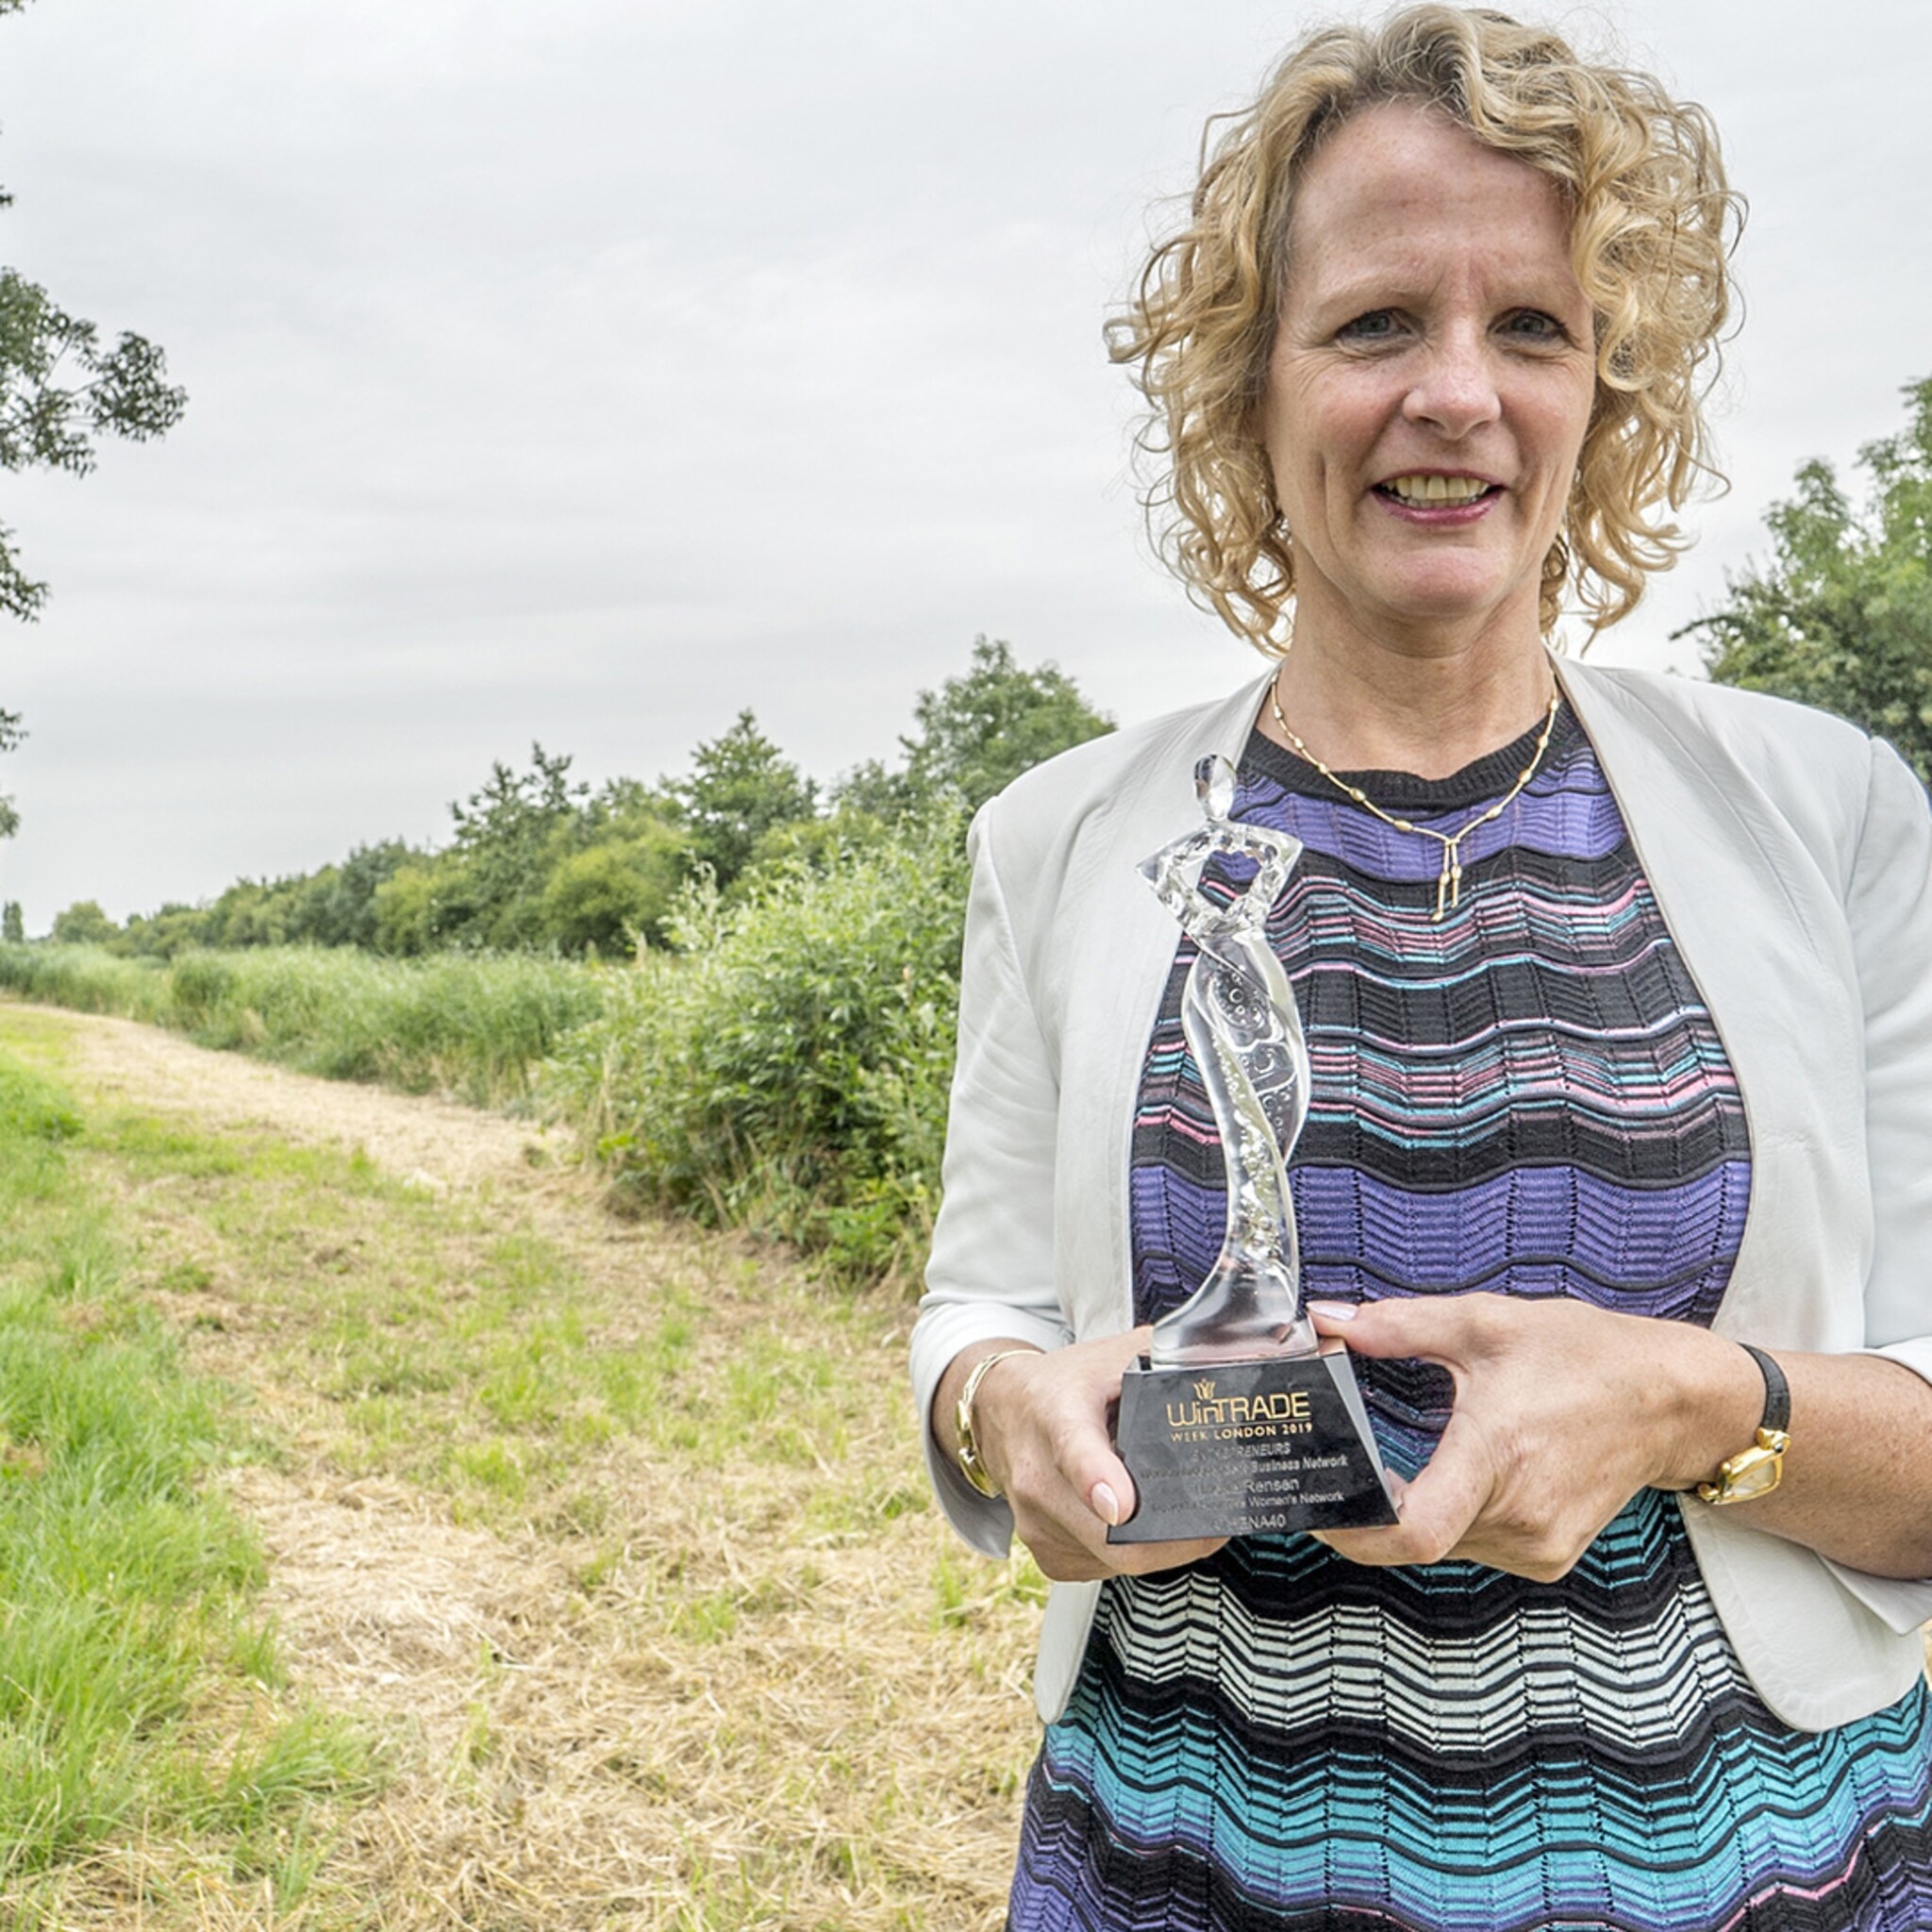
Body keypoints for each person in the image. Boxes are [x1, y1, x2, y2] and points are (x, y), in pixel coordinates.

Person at [909, 8, 1932, 1928]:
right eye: (1378, 322)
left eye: (1529, 327)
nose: (1454, 392)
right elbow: (976, 1295)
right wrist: (995, 1413)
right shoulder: (1055, 836)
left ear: (1605, 392)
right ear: (1251, 388)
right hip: (1180, 1857)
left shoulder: (1836, 815)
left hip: (1759, 1865)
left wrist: (1699, 1406)